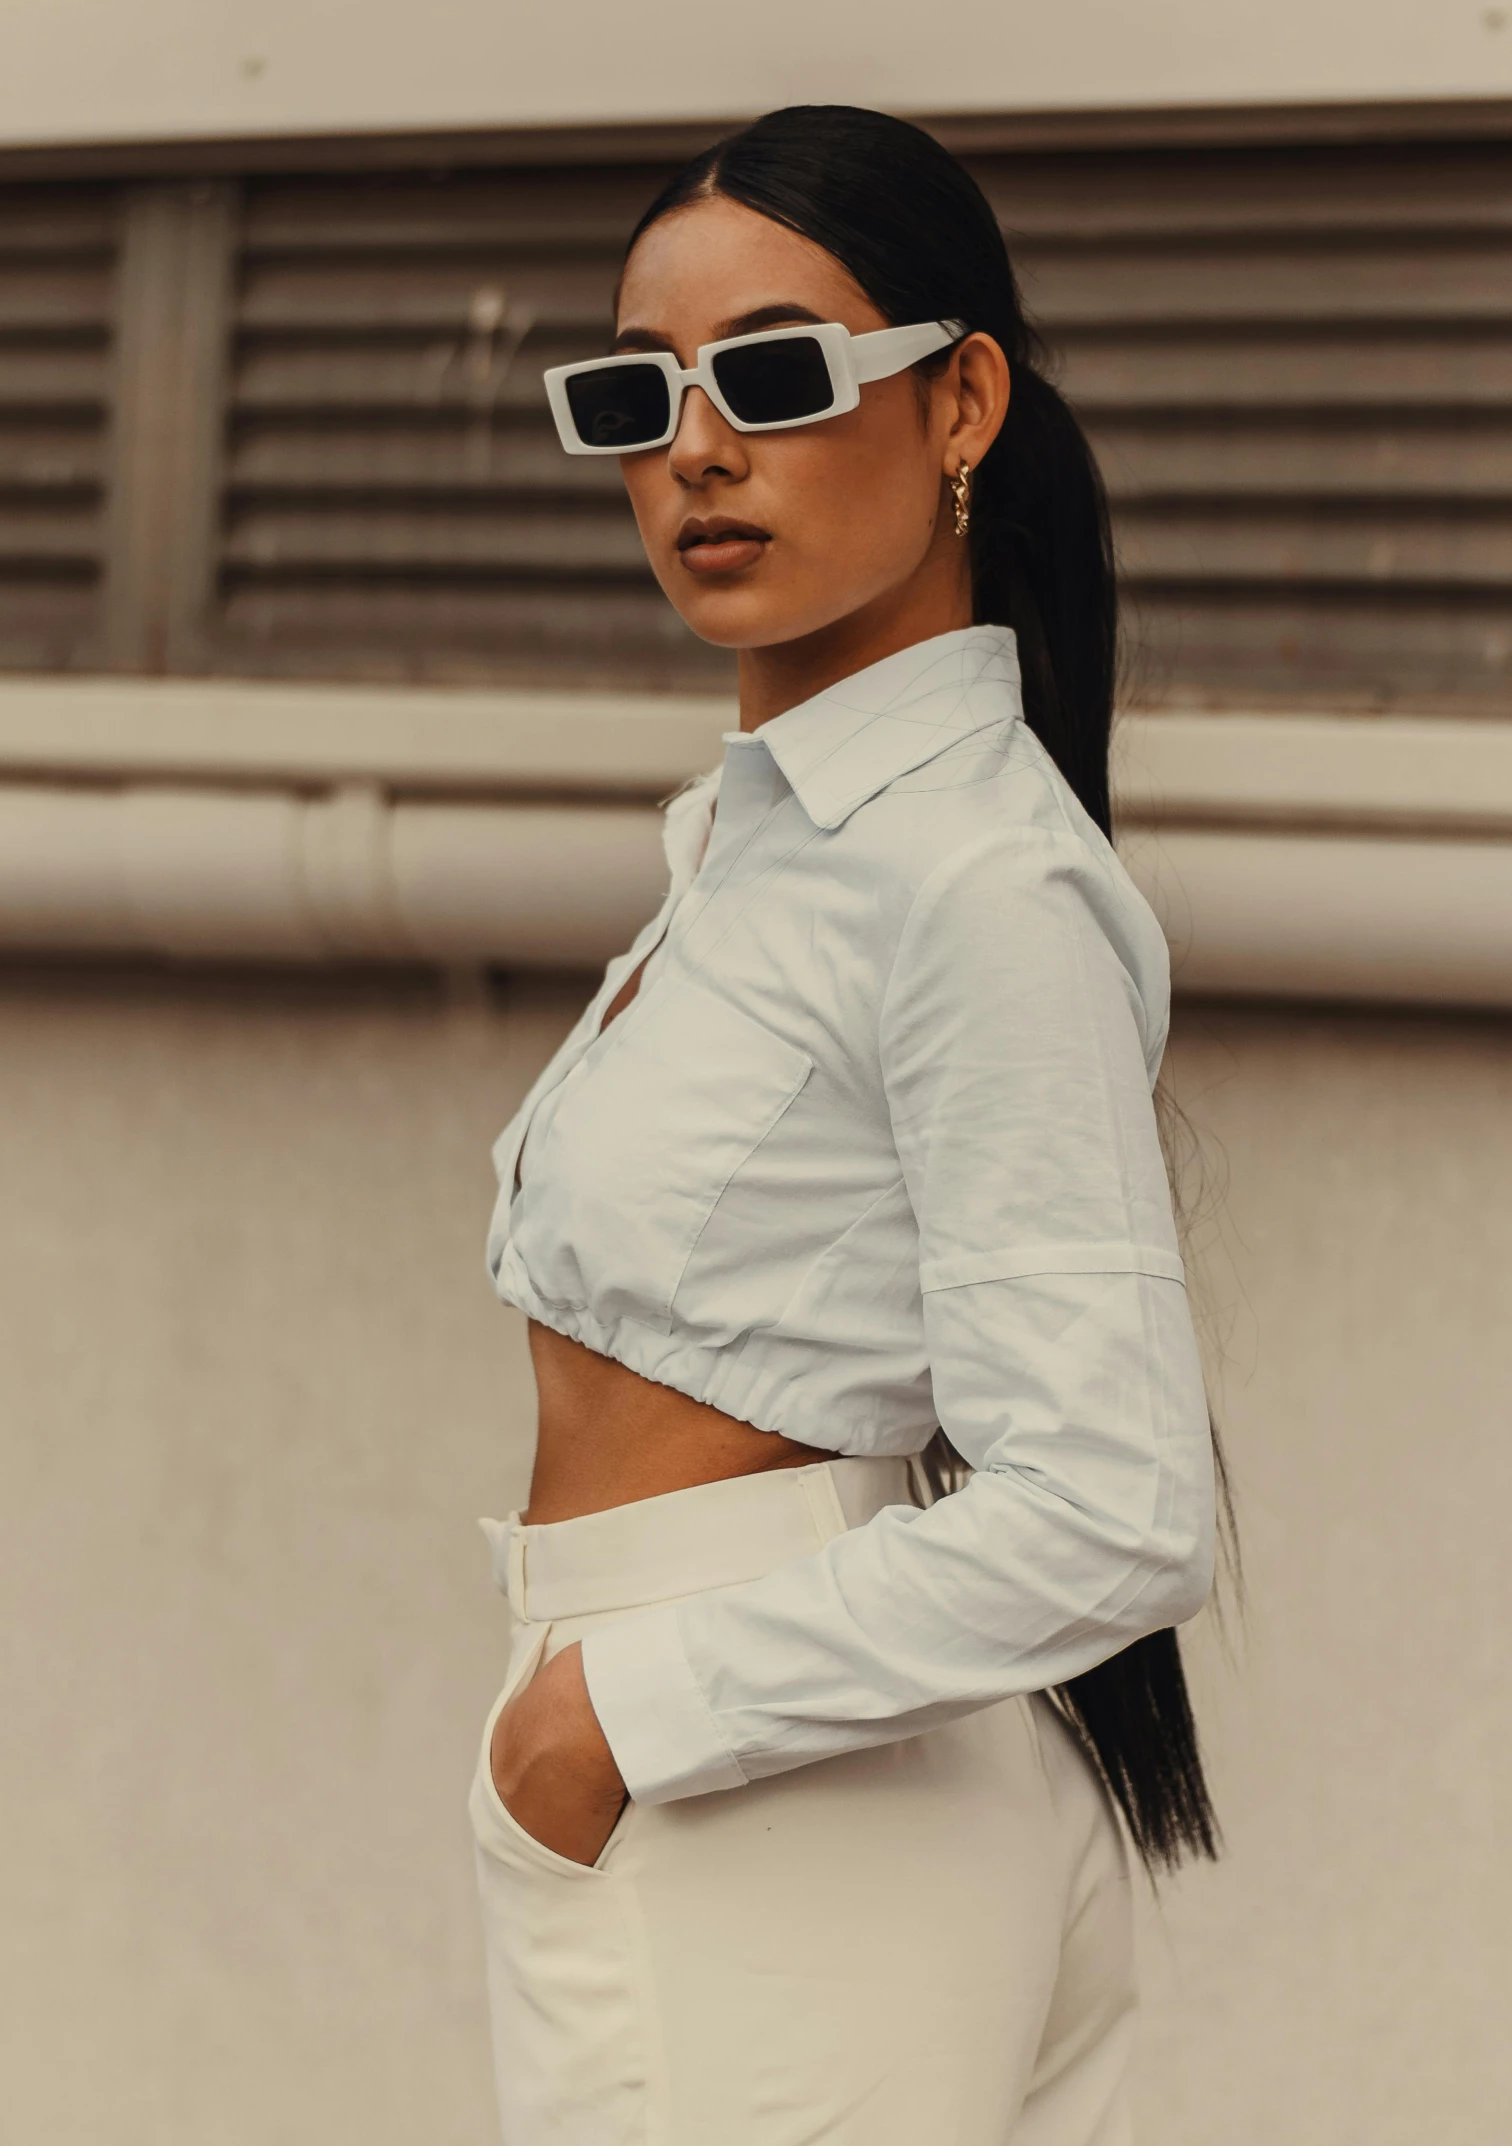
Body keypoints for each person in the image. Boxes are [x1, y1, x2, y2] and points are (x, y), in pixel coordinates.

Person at [470, 104, 1221, 2146]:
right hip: (757, 1795)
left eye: (782, 374)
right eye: (639, 395)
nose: (698, 448)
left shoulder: (973, 876)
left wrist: (617, 1711)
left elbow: (1115, 1500)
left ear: (958, 398)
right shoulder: (772, 851)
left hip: (776, 1799)